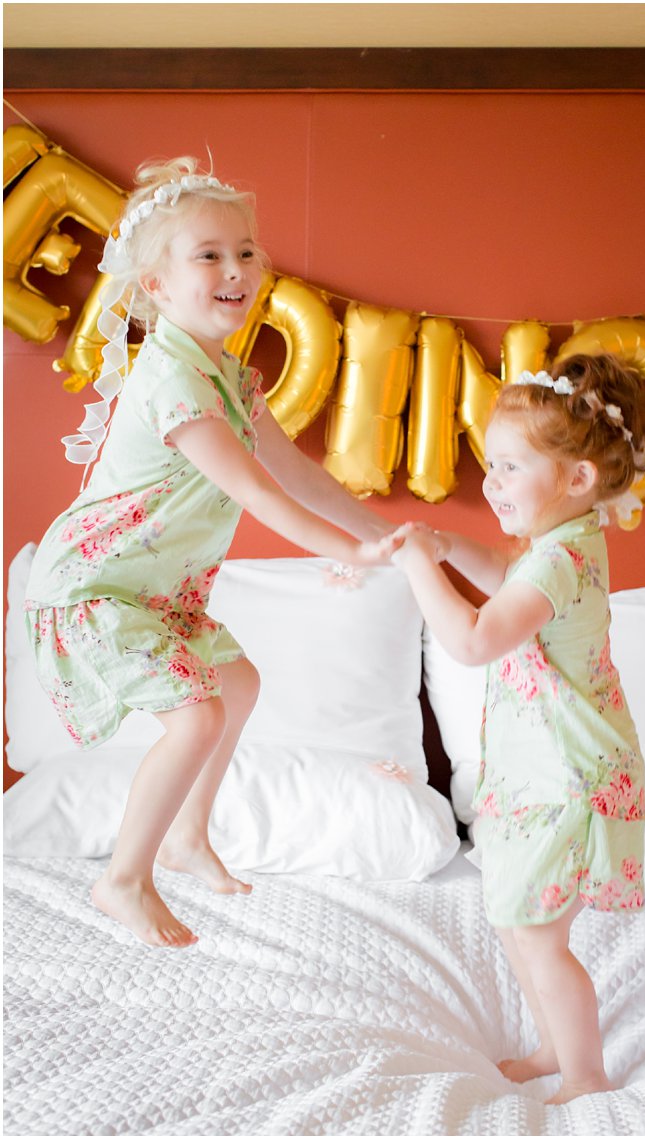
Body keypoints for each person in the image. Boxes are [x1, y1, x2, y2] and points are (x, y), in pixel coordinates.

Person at [24, 158, 407, 949]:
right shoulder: (174, 379)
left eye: (246, 250)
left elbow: (293, 471)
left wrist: (374, 535)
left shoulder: (230, 374)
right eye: (208, 255)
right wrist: (352, 556)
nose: (237, 269)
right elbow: (261, 495)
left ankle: (187, 836)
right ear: (156, 286)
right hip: (92, 587)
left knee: (236, 683)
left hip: (151, 594)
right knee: (195, 715)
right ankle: (120, 878)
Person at [391, 353, 645, 1103]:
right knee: (517, 920)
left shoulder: (560, 561)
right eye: (490, 465)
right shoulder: (557, 546)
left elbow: (476, 638)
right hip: (537, 770)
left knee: (540, 939)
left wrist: (422, 568)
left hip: (570, 775)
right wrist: (449, 547)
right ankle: (553, 1045)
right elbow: (510, 566)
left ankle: (585, 1072)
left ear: (576, 479)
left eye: (510, 467)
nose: (491, 484)